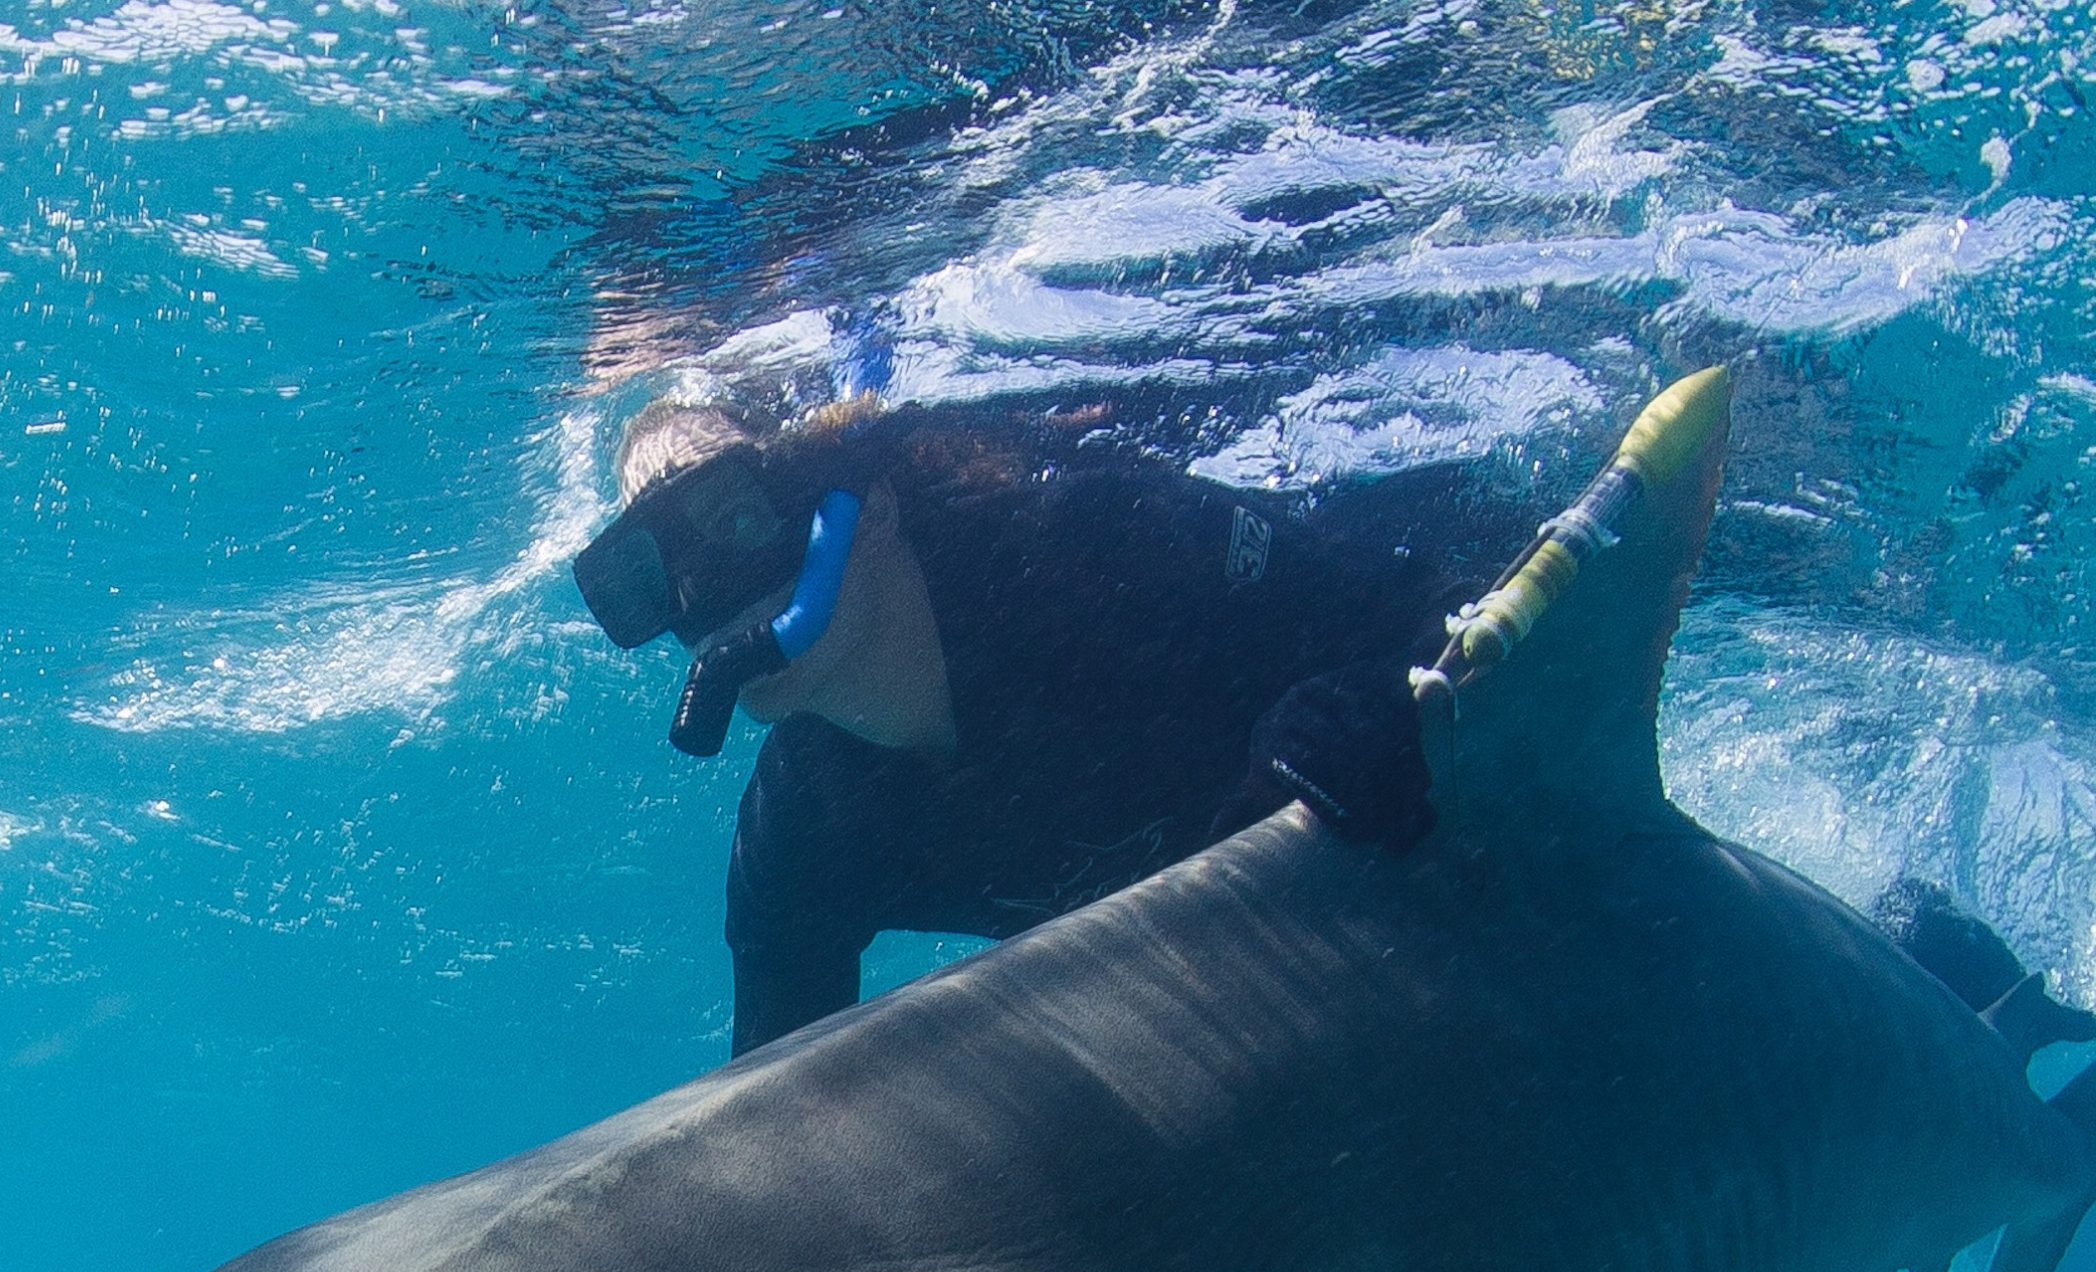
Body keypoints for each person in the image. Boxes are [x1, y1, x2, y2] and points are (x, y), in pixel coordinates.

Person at [572, 393, 1539, 1053]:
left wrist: (1360, 707)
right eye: (657, 582)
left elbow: (1434, 600)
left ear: (858, 503)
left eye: (734, 521)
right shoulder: (801, 835)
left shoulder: (1096, 544)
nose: (710, 606)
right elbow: (764, 1117)